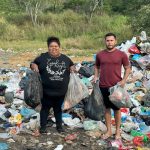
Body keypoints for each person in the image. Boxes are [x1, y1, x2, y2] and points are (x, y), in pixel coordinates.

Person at [30, 36, 75, 133]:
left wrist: (72, 67)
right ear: (48, 47)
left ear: (59, 47)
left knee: (58, 109)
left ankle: (59, 126)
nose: (54, 48)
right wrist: (34, 66)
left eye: (56, 46)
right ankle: (43, 127)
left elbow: (72, 65)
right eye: (51, 46)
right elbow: (33, 63)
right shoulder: (42, 57)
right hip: (46, 92)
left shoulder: (65, 58)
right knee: (45, 109)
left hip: (61, 92)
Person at [94, 33, 131, 140]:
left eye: (111, 40)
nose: (109, 42)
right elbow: (96, 66)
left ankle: (118, 131)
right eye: (107, 40)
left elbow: (128, 68)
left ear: (115, 41)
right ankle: (109, 131)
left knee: (117, 109)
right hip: (103, 86)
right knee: (106, 109)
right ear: (105, 41)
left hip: (116, 87)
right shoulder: (100, 54)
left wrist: (124, 80)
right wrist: (96, 76)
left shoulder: (121, 54)